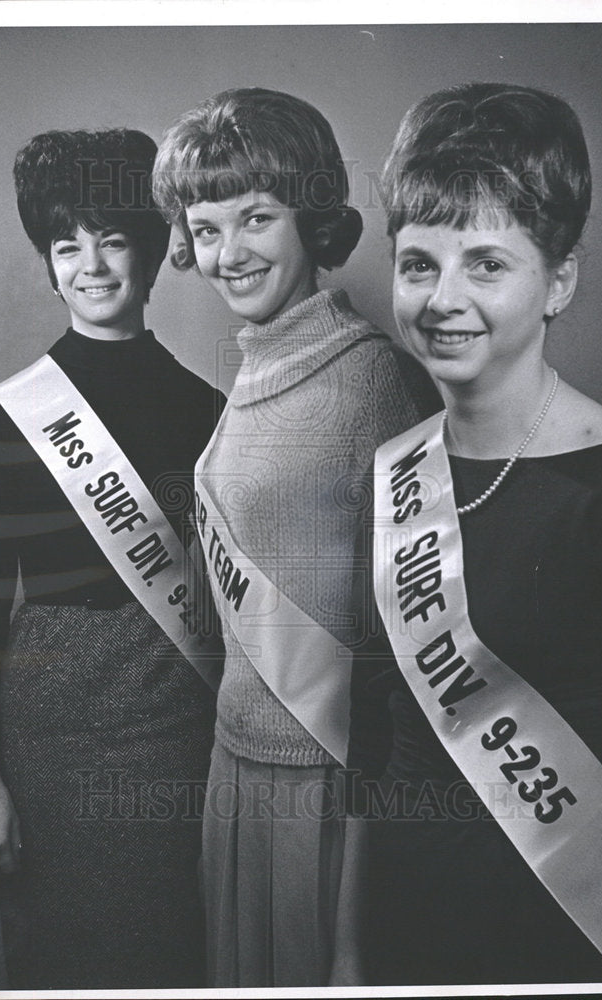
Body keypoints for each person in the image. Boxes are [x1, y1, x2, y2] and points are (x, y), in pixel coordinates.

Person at [152, 86, 440, 987]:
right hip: (238, 767)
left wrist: (359, 910)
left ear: (311, 218)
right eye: (205, 229)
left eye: (257, 218)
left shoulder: (372, 384)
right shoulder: (258, 361)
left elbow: (404, 666)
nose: (229, 253)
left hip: (324, 795)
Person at [365, 82, 602, 985]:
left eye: (487, 264)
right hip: (405, 914)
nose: (443, 300)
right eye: (419, 265)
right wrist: (341, 957)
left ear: (559, 281)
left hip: (565, 927)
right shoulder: (384, 473)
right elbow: (377, 749)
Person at [0, 128, 224, 989]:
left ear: (149, 251)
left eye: (111, 240)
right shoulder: (10, 411)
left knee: (174, 953)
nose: (91, 266)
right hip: (51, 736)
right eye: (66, 245)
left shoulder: (210, 409)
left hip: (179, 729)